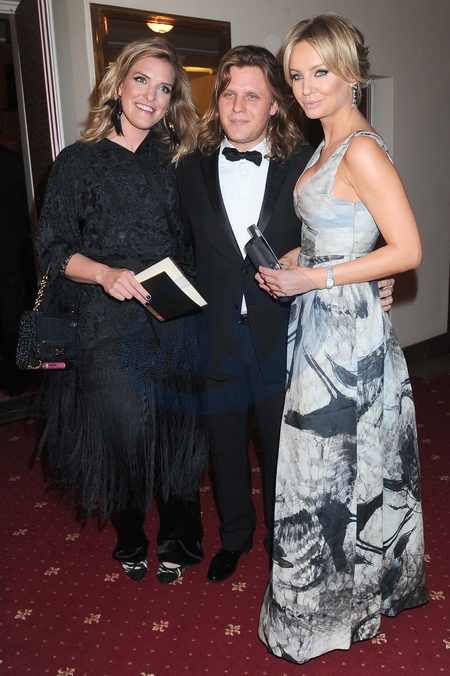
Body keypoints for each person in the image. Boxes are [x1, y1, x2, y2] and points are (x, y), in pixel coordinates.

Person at [176, 45, 394, 583]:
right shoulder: (187, 166)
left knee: (285, 447)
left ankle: (284, 539)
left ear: (276, 104)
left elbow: (349, 230)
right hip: (214, 332)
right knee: (224, 445)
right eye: (229, 94)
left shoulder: (306, 163)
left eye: (253, 96)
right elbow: (174, 244)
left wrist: (376, 278)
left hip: (288, 330)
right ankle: (234, 537)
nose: (238, 106)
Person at [257, 13, 428, 664]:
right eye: (296, 76)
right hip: (322, 320)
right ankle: (342, 603)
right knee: (333, 468)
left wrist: (317, 276)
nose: (306, 88)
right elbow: (347, 232)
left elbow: (407, 249)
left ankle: (326, 613)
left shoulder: (360, 148)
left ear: (350, 73)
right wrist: (300, 258)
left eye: (319, 72)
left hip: (345, 335)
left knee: (329, 471)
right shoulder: (325, 143)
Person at [34, 38, 207, 585]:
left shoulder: (179, 159)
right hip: (104, 320)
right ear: (118, 83)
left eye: (164, 88)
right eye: (142, 81)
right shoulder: (77, 161)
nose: (151, 97)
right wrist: (104, 274)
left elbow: (207, 236)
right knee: (122, 432)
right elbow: (53, 249)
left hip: (172, 316)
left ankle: (180, 537)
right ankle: (131, 536)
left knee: (177, 432)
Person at [0, 110, 32, 398]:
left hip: (11, 254)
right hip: (10, 255)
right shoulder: (16, 164)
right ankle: (16, 382)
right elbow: (26, 212)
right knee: (12, 320)